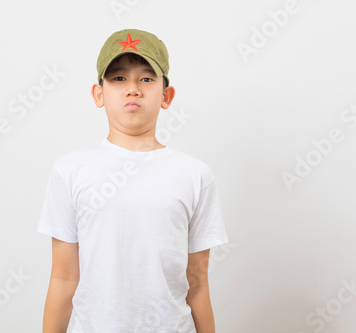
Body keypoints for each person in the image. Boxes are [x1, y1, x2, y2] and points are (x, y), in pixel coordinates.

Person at [37, 28, 229, 333]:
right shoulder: (70, 170)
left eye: (146, 78)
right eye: (118, 78)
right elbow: (63, 277)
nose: (133, 89)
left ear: (166, 96)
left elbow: (197, 281)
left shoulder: (194, 175)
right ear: (98, 94)